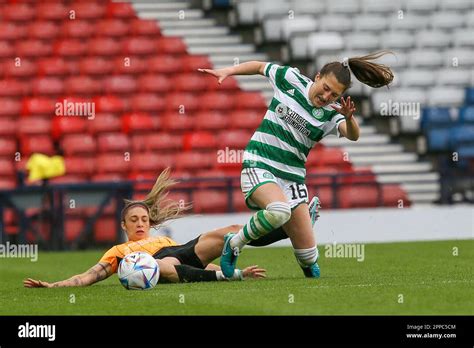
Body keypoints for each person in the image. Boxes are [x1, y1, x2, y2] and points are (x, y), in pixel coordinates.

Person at [198, 51, 394, 278]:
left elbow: (353, 136)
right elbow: (260, 66)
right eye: (326, 87)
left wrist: (349, 119)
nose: (327, 95)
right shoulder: (291, 79)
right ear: (318, 77)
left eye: (334, 94)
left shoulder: (332, 113)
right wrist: (228, 71)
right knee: (279, 211)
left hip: (292, 178)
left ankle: (303, 223)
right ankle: (235, 243)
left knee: (310, 260)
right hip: (260, 163)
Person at [24, 169, 266, 288]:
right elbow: (89, 276)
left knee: (232, 230)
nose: (140, 223)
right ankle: (226, 276)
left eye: (144, 219)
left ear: (150, 223)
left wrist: (243, 271)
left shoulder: (165, 241)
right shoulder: (120, 251)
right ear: (123, 225)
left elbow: (194, 264)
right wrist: (54, 285)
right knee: (161, 264)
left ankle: (284, 224)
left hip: (180, 251)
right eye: (134, 220)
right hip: (157, 264)